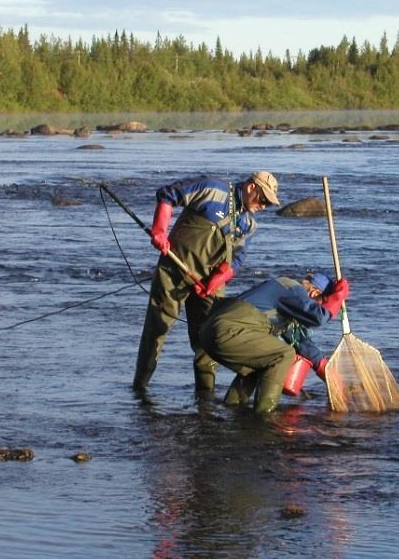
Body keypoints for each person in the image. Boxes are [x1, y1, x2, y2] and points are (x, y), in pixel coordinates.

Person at [133, 170, 281, 399]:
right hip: (173, 270)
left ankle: (205, 397)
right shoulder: (212, 188)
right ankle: (139, 389)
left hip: (207, 283)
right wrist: (160, 231)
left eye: (268, 204)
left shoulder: (249, 225)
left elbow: (237, 259)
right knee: (157, 329)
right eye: (263, 199)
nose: (264, 205)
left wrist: (217, 280)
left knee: (207, 340)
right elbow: (168, 194)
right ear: (252, 187)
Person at [198, 272, 350, 414]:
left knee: (258, 366)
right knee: (284, 355)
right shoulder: (292, 289)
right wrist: (338, 296)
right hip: (227, 330)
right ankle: (265, 417)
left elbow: (304, 345)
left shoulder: (287, 303)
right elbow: (319, 317)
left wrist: (334, 381)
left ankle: (232, 408)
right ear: (314, 293)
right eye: (321, 302)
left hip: (210, 333)